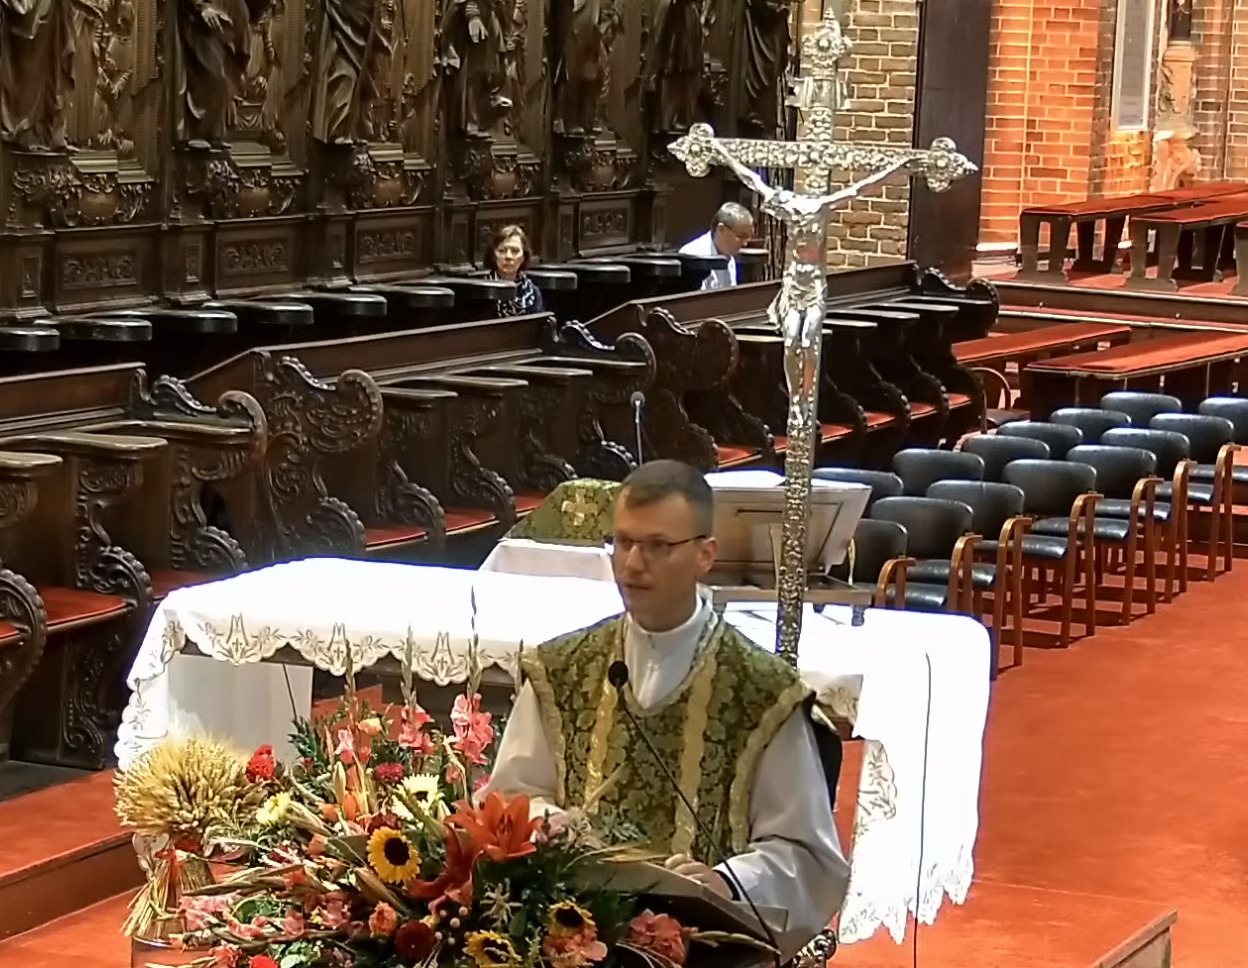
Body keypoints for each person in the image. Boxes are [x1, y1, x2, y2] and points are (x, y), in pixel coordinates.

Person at [484, 460, 849, 955]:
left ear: (705, 554)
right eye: (623, 542)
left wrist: (725, 882)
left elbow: (804, 854)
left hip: (704, 952)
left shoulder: (763, 692)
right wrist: (551, 824)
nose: (632, 564)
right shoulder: (561, 668)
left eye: (657, 546)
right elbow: (511, 797)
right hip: (569, 942)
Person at [678, 202, 755, 290]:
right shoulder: (694, 255)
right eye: (741, 236)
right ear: (721, 229)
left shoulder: (729, 256)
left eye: (747, 238)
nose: (745, 243)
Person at [484, 224, 545, 316]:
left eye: (515, 251)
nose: (508, 256)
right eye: (502, 251)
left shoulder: (533, 292)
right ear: (493, 255)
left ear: (523, 257)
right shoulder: (483, 292)